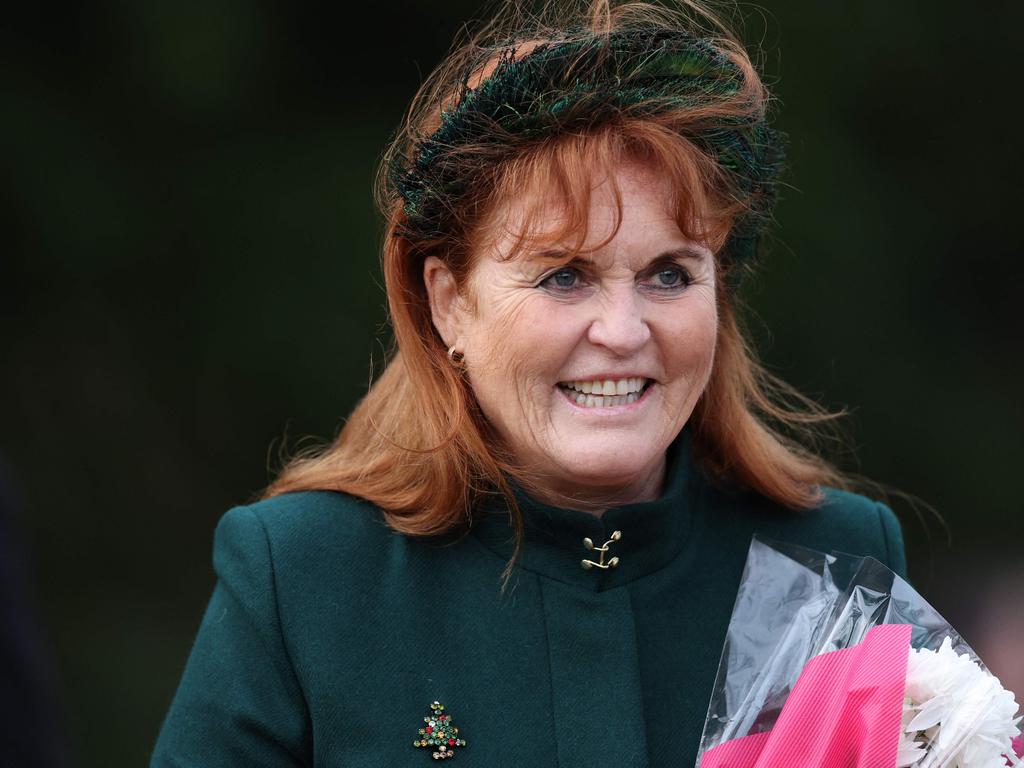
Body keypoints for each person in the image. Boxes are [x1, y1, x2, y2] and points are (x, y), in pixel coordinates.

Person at [151, 1, 908, 766]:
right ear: (450, 303)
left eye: (669, 274)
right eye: (563, 276)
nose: (622, 330)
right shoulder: (308, 579)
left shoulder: (838, 562)